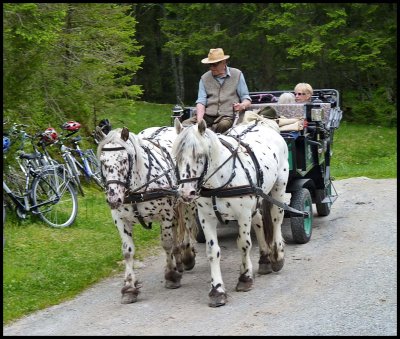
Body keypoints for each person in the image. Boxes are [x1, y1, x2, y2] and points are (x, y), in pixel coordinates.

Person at [182, 48, 252, 133]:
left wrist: (242, 105)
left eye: (214, 65)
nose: (211, 67)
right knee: (185, 125)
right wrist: (199, 121)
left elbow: (246, 98)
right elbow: (201, 102)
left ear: (224, 62)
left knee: (223, 126)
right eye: (210, 65)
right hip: (208, 116)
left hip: (227, 116)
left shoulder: (237, 74)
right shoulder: (204, 78)